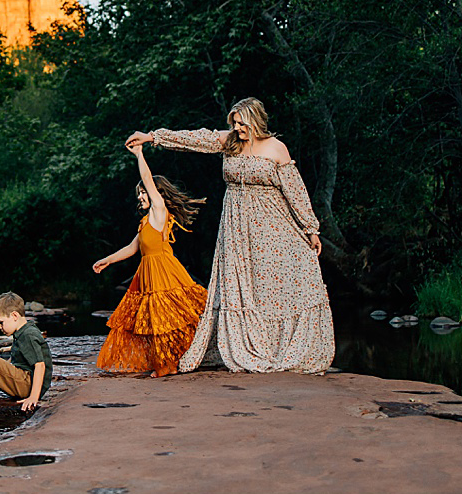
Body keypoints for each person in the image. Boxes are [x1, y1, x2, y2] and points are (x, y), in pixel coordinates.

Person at [125, 97, 334, 374]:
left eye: (241, 122)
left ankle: (282, 348)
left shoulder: (276, 148)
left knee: (275, 284)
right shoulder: (229, 142)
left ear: (256, 120)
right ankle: (248, 344)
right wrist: (152, 138)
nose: (237, 127)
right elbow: (193, 140)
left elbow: (295, 191)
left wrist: (311, 228)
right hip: (237, 230)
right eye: (234, 122)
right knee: (245, 287)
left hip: (275, 226)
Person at [92, 140, 209, 377]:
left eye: (143, 192)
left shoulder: (159, 211)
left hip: (163, 271)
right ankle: (164, 363)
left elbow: (147, 179)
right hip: (147, 273)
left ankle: (169, 365)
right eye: (139, 194)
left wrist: (139, 155)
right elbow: (132, 248)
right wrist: (108, 260)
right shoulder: (145, 222)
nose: (141, 197)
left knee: (167, 318)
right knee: (153, 321)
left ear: (155, 193)